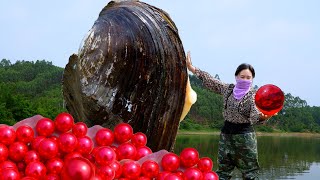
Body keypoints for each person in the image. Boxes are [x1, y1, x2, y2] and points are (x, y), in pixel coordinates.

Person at [186, 51, 273, 180]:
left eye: (248, 78)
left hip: (245, 138)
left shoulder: (253, 96)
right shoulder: (228, 89)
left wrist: (266, 116)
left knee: (250, 174)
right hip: (226, 135)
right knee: (222, 172)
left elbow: (256, 116)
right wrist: (192, 68)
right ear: (236, 76)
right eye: (242, 76)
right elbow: (211, 81)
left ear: (252, 79)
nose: (245, 80)